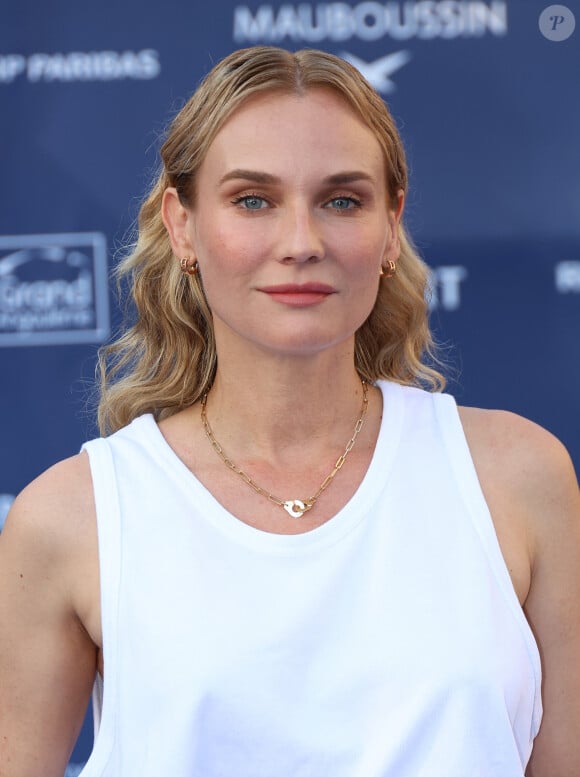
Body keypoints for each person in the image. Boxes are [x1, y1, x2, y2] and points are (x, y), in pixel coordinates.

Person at [0, 45, 579, 777]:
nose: (301, 243)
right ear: (182, 227)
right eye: (253, 200)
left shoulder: (519, 477)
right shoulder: (72, 517)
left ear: (391, 226)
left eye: (342, 200)